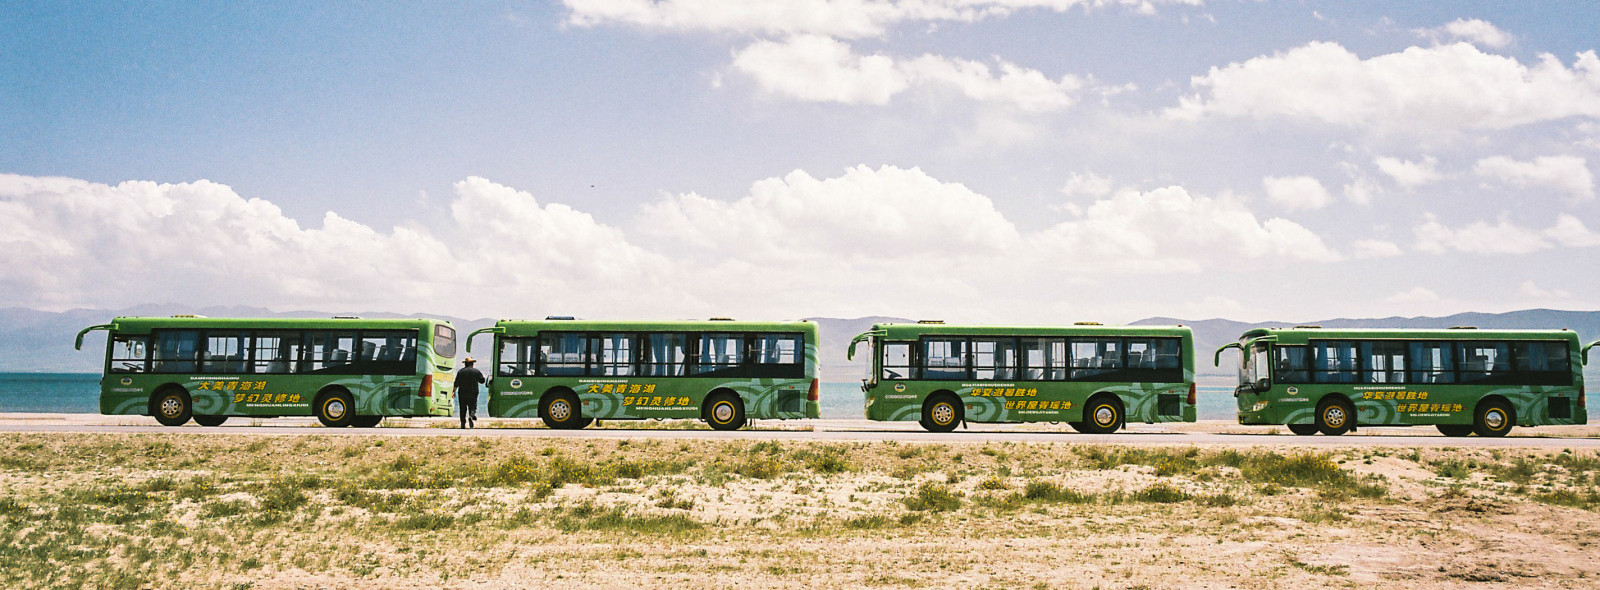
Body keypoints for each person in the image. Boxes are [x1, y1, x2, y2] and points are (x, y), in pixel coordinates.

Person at [455, 357, 486, 428]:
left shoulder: (461, 372)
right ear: (472, 364)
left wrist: (453, 392)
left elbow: (456, 383)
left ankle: (463, 423)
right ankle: (471, 415)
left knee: (462, 408)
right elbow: (482, 381)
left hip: (462, 393)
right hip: (473, 392)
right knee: (472, 406)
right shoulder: (476, 371)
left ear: (465, 364)